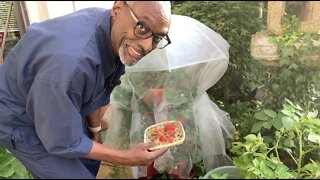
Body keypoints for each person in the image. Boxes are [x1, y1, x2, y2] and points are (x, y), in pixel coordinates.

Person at [0, 1, 172, 179]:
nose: (146, 46)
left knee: (90, 160)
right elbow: (63, 141)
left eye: (157, 38)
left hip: (53, 95)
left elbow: (99, 89)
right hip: (19, 117)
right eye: (142, 27)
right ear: (118, 8)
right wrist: (128, 158)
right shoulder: (70, 66)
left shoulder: (111, 30)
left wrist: (95, 131)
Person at [102, 15, 236, 179]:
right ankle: (153, 171)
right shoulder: (140, 50)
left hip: (178, 111)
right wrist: (148, 94)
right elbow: (125, 87)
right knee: (146, 144)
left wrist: (168, 94)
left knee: (180, 145)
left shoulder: (178, 53)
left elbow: (189, 85)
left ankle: (177, 171)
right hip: (145, 112)